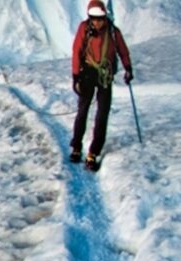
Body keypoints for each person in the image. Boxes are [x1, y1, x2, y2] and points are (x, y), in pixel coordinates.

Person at [70, 0, 132, 171]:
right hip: (88, 73)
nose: (97, 22)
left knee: (102, 113)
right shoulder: (84, 29)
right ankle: (76, 146)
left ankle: (93, 152)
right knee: (83, 110)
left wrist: (128, 68)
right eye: (94, 19)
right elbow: (77, 51)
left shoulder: (112, 31)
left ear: (105, 17)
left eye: (100, 19)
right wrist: (76, 76)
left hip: (105, 75)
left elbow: (123, 50)